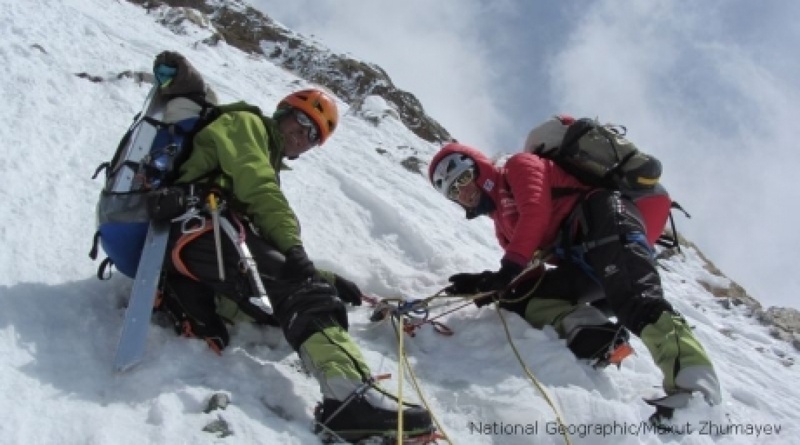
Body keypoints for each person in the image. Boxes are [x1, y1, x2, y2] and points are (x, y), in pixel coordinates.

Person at [158, 86, 434, 441]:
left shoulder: (263, 153)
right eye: (303, 121)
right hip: (195, 230)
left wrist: (328, 278)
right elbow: (260, 192)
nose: (303, 136)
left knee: (286, 300)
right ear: (283, 112)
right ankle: (350, 400)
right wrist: (299, 258)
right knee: (306, 295)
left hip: (196, 239)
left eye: (314, 135)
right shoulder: (247, 125)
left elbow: (260, 246)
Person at [427, 128, 722, 407]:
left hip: (605, 217)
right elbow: (527, 271)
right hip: (582, 259)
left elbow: (535, 213)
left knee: (637, 300)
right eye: (453, 192)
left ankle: (698, 391)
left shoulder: (519, 166)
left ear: (479, 166)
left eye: (463, 179)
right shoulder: (502, 226)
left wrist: (507, 270)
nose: (463, 193)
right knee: (524, 299)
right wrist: (486, 285)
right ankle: (592, 335)